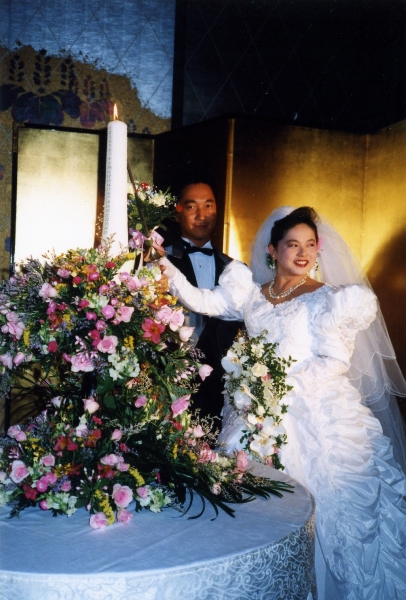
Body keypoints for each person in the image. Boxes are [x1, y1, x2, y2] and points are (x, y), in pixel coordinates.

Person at [160, 206, 406, 600]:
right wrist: (165, 268)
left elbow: (334, 362)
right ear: (272, 250)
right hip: (252, 412)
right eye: (293, 244)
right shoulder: (252, 296)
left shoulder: (329, 299)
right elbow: (201, 300)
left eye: (310, 244)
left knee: (323, 508)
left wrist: (279, 393)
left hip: (315, 412)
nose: (303, 252)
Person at [161, 178, 243, 428]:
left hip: (218, 391)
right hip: (167, 385)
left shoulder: (234, 269)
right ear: (177, 213)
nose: (201, 215)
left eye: (208, 205)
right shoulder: (159, 261)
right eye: (191, 206)